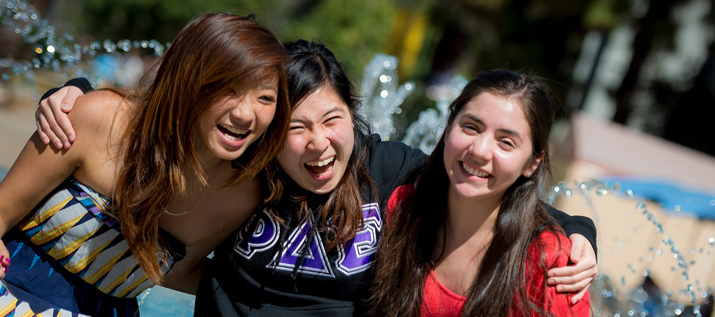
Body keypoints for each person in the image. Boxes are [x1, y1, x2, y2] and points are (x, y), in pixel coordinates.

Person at [36, 41, 598, 315]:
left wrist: (580, 230)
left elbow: (486, 184)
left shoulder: (389, 171)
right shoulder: (244, 171)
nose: (317, 143)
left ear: (352, 116)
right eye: (295, 126)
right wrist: (75, 91)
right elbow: (160, 117)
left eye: (332, 120)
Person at [0, 12, 290, 316]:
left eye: (265, 97)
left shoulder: (238, 196)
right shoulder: (99, 119)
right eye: (227, 89)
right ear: (188, 81)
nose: (245, 113)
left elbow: (177, 275)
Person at [367, 69, 591, 316]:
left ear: (532, 163)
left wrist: (581, 227)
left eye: (506, 142)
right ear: (449, 125)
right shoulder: (399, 207)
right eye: (471, 127)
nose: (480, 150)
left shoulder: (551, 264)